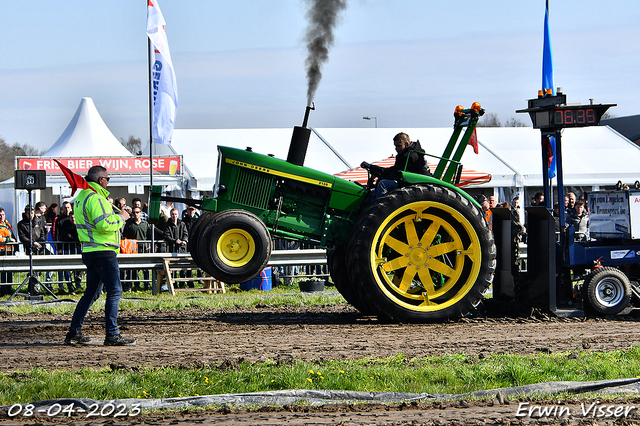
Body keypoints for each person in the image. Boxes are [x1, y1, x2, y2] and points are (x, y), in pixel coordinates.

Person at [65, 165, 135, 346]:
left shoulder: (81, 197)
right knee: (115, 291)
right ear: (100, 180)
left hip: (90, 251)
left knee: (91, 294)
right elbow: (104, 225)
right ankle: (112, 334)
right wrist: (122, 218)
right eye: (107, 178)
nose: (108, 182)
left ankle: (74, 332)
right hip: (103, 251)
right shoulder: (96, 199)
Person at [361, 132, 431, 198]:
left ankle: (377, 207)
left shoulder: (410, 156)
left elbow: (393, 172)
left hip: (414, 183)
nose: (396, 149)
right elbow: (393, 170)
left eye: (398, 146)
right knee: (381, 179)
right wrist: (375, 171)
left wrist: (371, 167)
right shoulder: (407, 152)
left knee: (383, 184)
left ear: (406, 144)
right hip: (409, 180)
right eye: (395, 146)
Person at [122, 206, 152, 291]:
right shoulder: (129, 223)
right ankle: (130, 285)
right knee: (132, 269)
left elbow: (149, 236)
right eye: (134, 213)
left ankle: (147, 284)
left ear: (141, 213)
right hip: (132, 249)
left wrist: (149, 246)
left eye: (137, 212)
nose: (135, 214)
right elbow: (125, 236)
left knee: (146, 269)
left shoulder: (145, 224)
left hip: (143, 249)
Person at [55, 202, 80, 295]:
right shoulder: (60, 220)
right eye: (65, 208)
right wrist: (58, 247)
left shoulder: (78, 222)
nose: (67, 209)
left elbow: (79, 237)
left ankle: (78, 284)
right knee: (66, 268)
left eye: (68, 207)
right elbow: (59, 235)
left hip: (76, 247)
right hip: (65, 247)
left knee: (78, 267)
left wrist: (72, 237)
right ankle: (68, 285)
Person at [164, 207, 189, 288]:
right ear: (170, 215)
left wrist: (184, 240)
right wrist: (175, 241)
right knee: (173, 267)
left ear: (178, 215)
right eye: (172, 214)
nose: (174, 216)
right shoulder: (167, 225)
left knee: (182, 267)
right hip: (172, 249)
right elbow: (166, 236)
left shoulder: (182, 224)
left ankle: (182, 284)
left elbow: (186, 234)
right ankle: (174, 284)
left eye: (175, 214)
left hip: (181, 249)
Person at [0, 207, 16, 296]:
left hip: (10, 251)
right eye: (0, 215)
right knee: (3, 272)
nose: (1, 217)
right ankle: (3, 291)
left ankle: (9, 289)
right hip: (2, 251)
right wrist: (9, 239)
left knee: (9, 272)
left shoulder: (7, 224)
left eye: (2, 215)